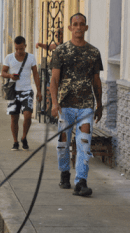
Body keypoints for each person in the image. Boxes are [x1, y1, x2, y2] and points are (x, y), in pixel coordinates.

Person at [50, 13, 103, 197]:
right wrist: (55, 103)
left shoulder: (94, 53)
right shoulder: (61, 51)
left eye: (82, 24)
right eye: (75, 24)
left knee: (84, 143)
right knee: (63, 144)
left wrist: (100, 104)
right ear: (70, 28)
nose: (79, 27)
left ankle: (81, 181)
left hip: (86, 105)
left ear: (86, 28)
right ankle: (65, 173)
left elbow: (96, 81)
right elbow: (54, 80)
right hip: (65, 106)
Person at [1, 36, 42, 151]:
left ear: (25, 46)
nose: (19, 51)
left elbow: (35, 74)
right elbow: (3, 72)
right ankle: (15, 142)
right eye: (17, 49)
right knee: (14, 118)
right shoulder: (9, 58)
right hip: (14, 92)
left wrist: (39, 91)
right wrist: (10, 76)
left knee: (28, 116)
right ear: (15, 47)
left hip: (27, 91)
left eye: (21, 49)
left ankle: (24, 137)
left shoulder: (31, 58)